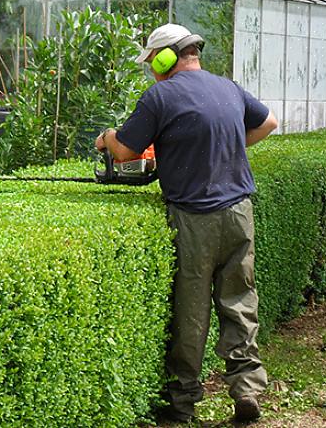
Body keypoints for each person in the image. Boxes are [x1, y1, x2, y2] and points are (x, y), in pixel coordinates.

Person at [94, 23, 278, 423]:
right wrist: (223, 144)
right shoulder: (227, 87)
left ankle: (181, 404)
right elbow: (268, 123)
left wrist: (107, 137)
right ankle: (246, 388)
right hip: (239, 213)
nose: (151, 71)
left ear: (164, 58)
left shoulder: (161, 95)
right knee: (240, 302)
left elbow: (125, 151)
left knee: (192, 314)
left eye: (152, 62)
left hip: (195, 219)